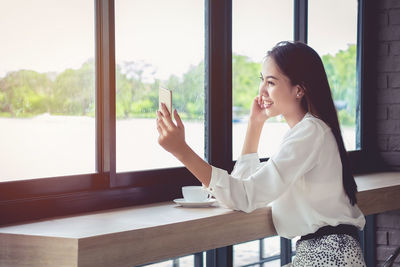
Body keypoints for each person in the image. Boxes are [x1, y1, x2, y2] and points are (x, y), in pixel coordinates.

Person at [156, 41, 366, 266]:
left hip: (329, 257)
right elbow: (243, 185)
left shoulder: (310, 132)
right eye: (261, 80)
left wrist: (182, 152)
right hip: (328, 253)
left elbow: (244, 196)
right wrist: (255, 125)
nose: (262, 91)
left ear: (299, 89)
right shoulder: (308, 131)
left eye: (271, 82)